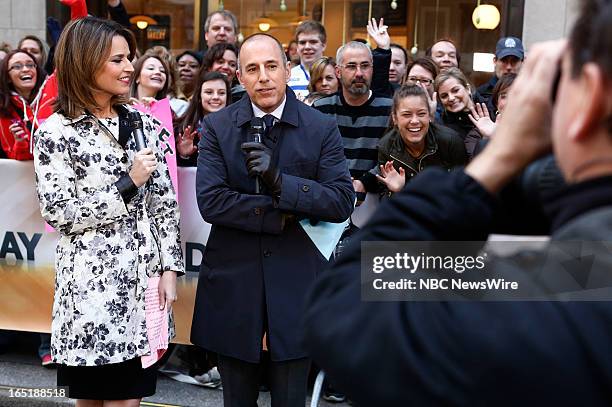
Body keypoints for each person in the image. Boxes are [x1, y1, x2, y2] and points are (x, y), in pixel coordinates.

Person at [303, 0, 612, 405]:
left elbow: (343, 315)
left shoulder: (552, 305)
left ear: (589, 96)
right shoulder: (586, 261)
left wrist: (501, 156)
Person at [190, 33, 354, 407]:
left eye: (271, 66)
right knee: (237, 400)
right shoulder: (218, 127)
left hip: (298, 280)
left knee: (291, 398)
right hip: (234, 279)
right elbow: (212, 202)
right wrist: (278, 216)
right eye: (252, 69)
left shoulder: (320, 127)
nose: (263, 76)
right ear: (239, 77)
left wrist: (281, 182)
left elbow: (342, 200)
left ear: (286, 69)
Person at [33, 17, 183, 405]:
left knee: (129, 399)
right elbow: (59, 211)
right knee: (89, 399)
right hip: (88, 298)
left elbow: (165, 204)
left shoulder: (145, 123)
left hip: (142, 291)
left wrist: (170, 269)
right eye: (117, 60)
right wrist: (126, 184)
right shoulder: (56, 131)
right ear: (85, 62)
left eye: (129, 58)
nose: (129, 68)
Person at [313, 40, 393, 197]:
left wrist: (364, 182)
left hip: (376, 198)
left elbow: (395, 156)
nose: (359, 73)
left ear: (372, 69)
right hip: (330, 195)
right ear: (338, 72)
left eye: (365, 66)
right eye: (351, 66)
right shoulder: (320, 109)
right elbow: (312, 155)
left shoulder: (390, 110)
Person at [374, 84, 467, 194]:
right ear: (395, 118)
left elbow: (465, 190)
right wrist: (397, 191)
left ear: (429, 115)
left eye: (421, 114)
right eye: (407, 114)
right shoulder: (386, 147)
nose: (415, 121)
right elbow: (385, 200)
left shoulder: (451, 141)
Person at [175, 71, 230, 166]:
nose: (216, 97)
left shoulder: (236, 129)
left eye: (221, 93)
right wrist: (184, 155)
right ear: (199, 96)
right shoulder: (183, 128)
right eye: (209, 92)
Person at [0, 49, 46, 160]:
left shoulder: (50, 99)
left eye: (30, 65)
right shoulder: (4, 110)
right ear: (8, 77)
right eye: (17, 66)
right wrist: (20, 142)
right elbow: (14, 159)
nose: (26, 69)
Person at [434, 67, 488, 158]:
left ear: (467, 88)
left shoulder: (491, 107)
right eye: (444, 96)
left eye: (455, 90)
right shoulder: (442, 126)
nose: (451, 98)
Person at [129, 53, 188, 118]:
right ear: (137, 77)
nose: (158, 72)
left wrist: (159, 111)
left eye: (162, 71)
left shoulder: (169, 111)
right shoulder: (124, 106)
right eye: (151, 68)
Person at [477, 37, 525, 106]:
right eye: (504, 60)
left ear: (523, 62)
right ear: (495, 61)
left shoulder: (531, 93)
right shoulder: (481, 94)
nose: (509, 67)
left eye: (514, 61)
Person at [288, 20, 327, 100]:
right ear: (297, 47)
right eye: (302, 43)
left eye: (313, 42)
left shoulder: (334, 76)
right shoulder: (287, 77)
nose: (307, 47)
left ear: (324, 45)